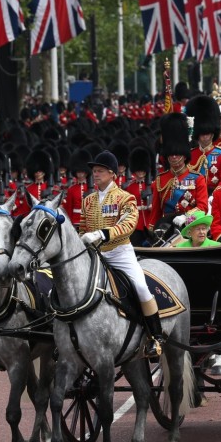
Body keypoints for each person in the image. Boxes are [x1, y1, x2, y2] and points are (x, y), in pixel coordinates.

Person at [80, 151, 165, 357]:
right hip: (95, 254)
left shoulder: (125, 198)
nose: (95, 174)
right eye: (94, 171)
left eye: (100, 171)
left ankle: (156, 336)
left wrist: (101, 234)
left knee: (141, 287)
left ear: (112, 174)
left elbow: (128, 225)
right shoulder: (88, 200)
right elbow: (83, 227)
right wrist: (82, 238)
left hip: (119, 253)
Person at [148, 113, 208, 235]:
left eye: (177, 153)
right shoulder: (160, 180)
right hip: (166, 230)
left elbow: (203, 207)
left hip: (190, 228)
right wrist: (152, 231)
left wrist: (187, 217)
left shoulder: (198, 178)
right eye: (171, 154)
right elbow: (156, 212)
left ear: (184, 154)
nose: (174, 157)